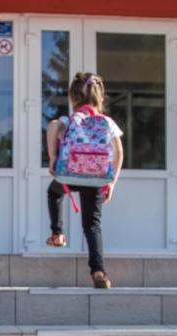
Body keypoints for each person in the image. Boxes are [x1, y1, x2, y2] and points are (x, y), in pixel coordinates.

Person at [46, 72, 124, 289]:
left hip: (70, 173)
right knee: (92, 226)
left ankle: (57, 234)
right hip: (97, 178)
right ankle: (99, 272)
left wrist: (53, 158)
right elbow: (119, 151)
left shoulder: (69, 121)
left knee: (54, 193)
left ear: (73, 99)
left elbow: (52, 126)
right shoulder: (107, 122)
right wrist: (112, 182)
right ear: (99, 98)